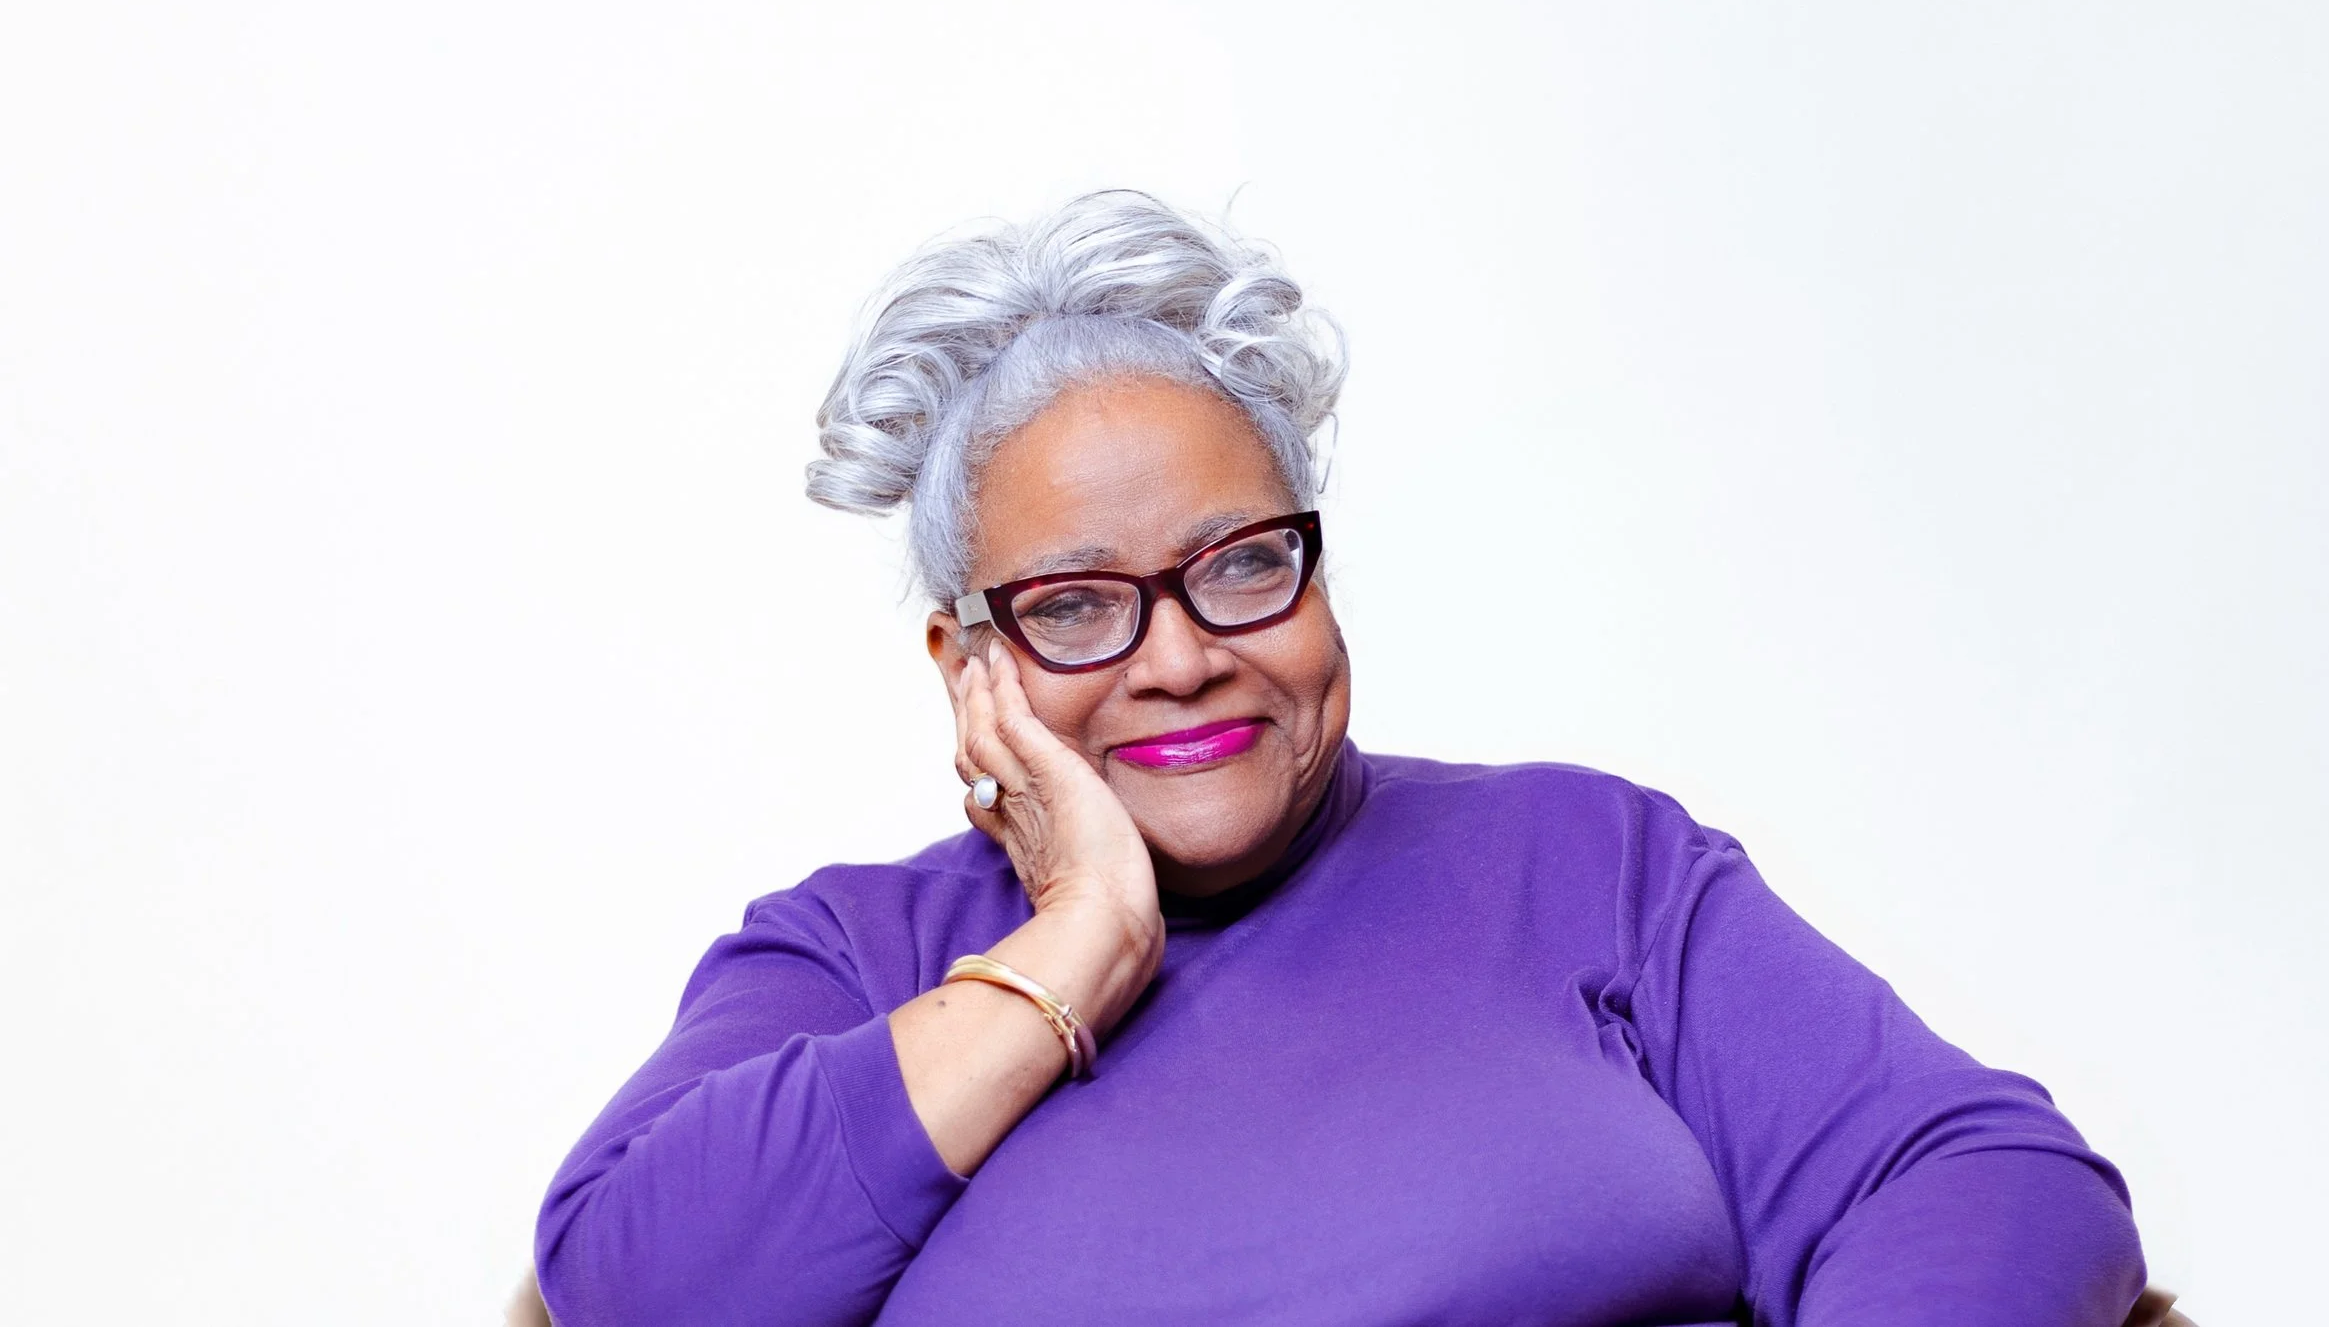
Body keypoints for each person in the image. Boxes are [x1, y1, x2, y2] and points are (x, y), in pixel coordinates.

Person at [532, 191, 2153, 1326]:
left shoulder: (1586, 866)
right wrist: (1080, 943)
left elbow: (1982, 1177)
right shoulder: (846, 956)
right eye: (1079, 605)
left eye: (1242, 562)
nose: (1181, 653)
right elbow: (633, 1287)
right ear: (971, 666)